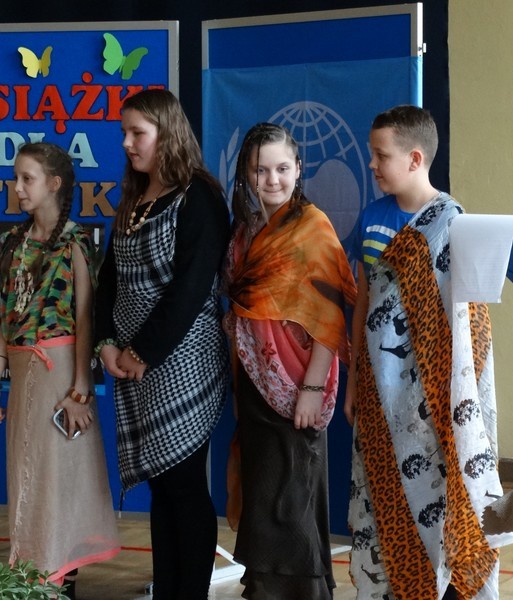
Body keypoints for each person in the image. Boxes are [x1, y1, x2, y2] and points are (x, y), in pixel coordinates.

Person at [344, 105, 506, 600]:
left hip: (436, 405)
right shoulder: (372, 217)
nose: (372, 164)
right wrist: (354, 381)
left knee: (444, 508)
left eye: (381, 155)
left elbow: (471, 328)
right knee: (384, 504)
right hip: (380, 396)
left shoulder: (453, 224)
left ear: (415, 159)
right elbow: (365, 300)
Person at [94, 89, 230, 600]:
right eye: (124, 133)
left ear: (167, 134)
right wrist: (107, 343)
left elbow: (191, 289)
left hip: (182, 361)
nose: (127, 143)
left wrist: (143, 352)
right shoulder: (133, 198)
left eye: (138, 133)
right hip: (134, 364)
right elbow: (109, 280)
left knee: (184, 483)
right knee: (160, 483)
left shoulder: (200, 198)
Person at [222, 123, 357, 599]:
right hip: (254, 383)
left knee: (293, 501)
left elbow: (329, 317)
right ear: (247, 173)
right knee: (265, 502)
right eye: (261, 170)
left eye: (282, 168)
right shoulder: (244, 232)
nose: (272, 179)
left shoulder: (312, 227)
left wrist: (313, 389)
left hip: (299, 386)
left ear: (298, 169)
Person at [0, 141, 120, 599]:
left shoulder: (75, 243)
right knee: (26, 470)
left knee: (60, 473)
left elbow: (85, 320)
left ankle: (60, 573)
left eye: (27, 179)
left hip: (60, 369)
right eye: (16, 179)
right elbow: (7, 316)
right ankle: (32, 568)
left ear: (54, 184)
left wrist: (80, 390)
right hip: (23, 372)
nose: (18, 188)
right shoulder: (13, 242)